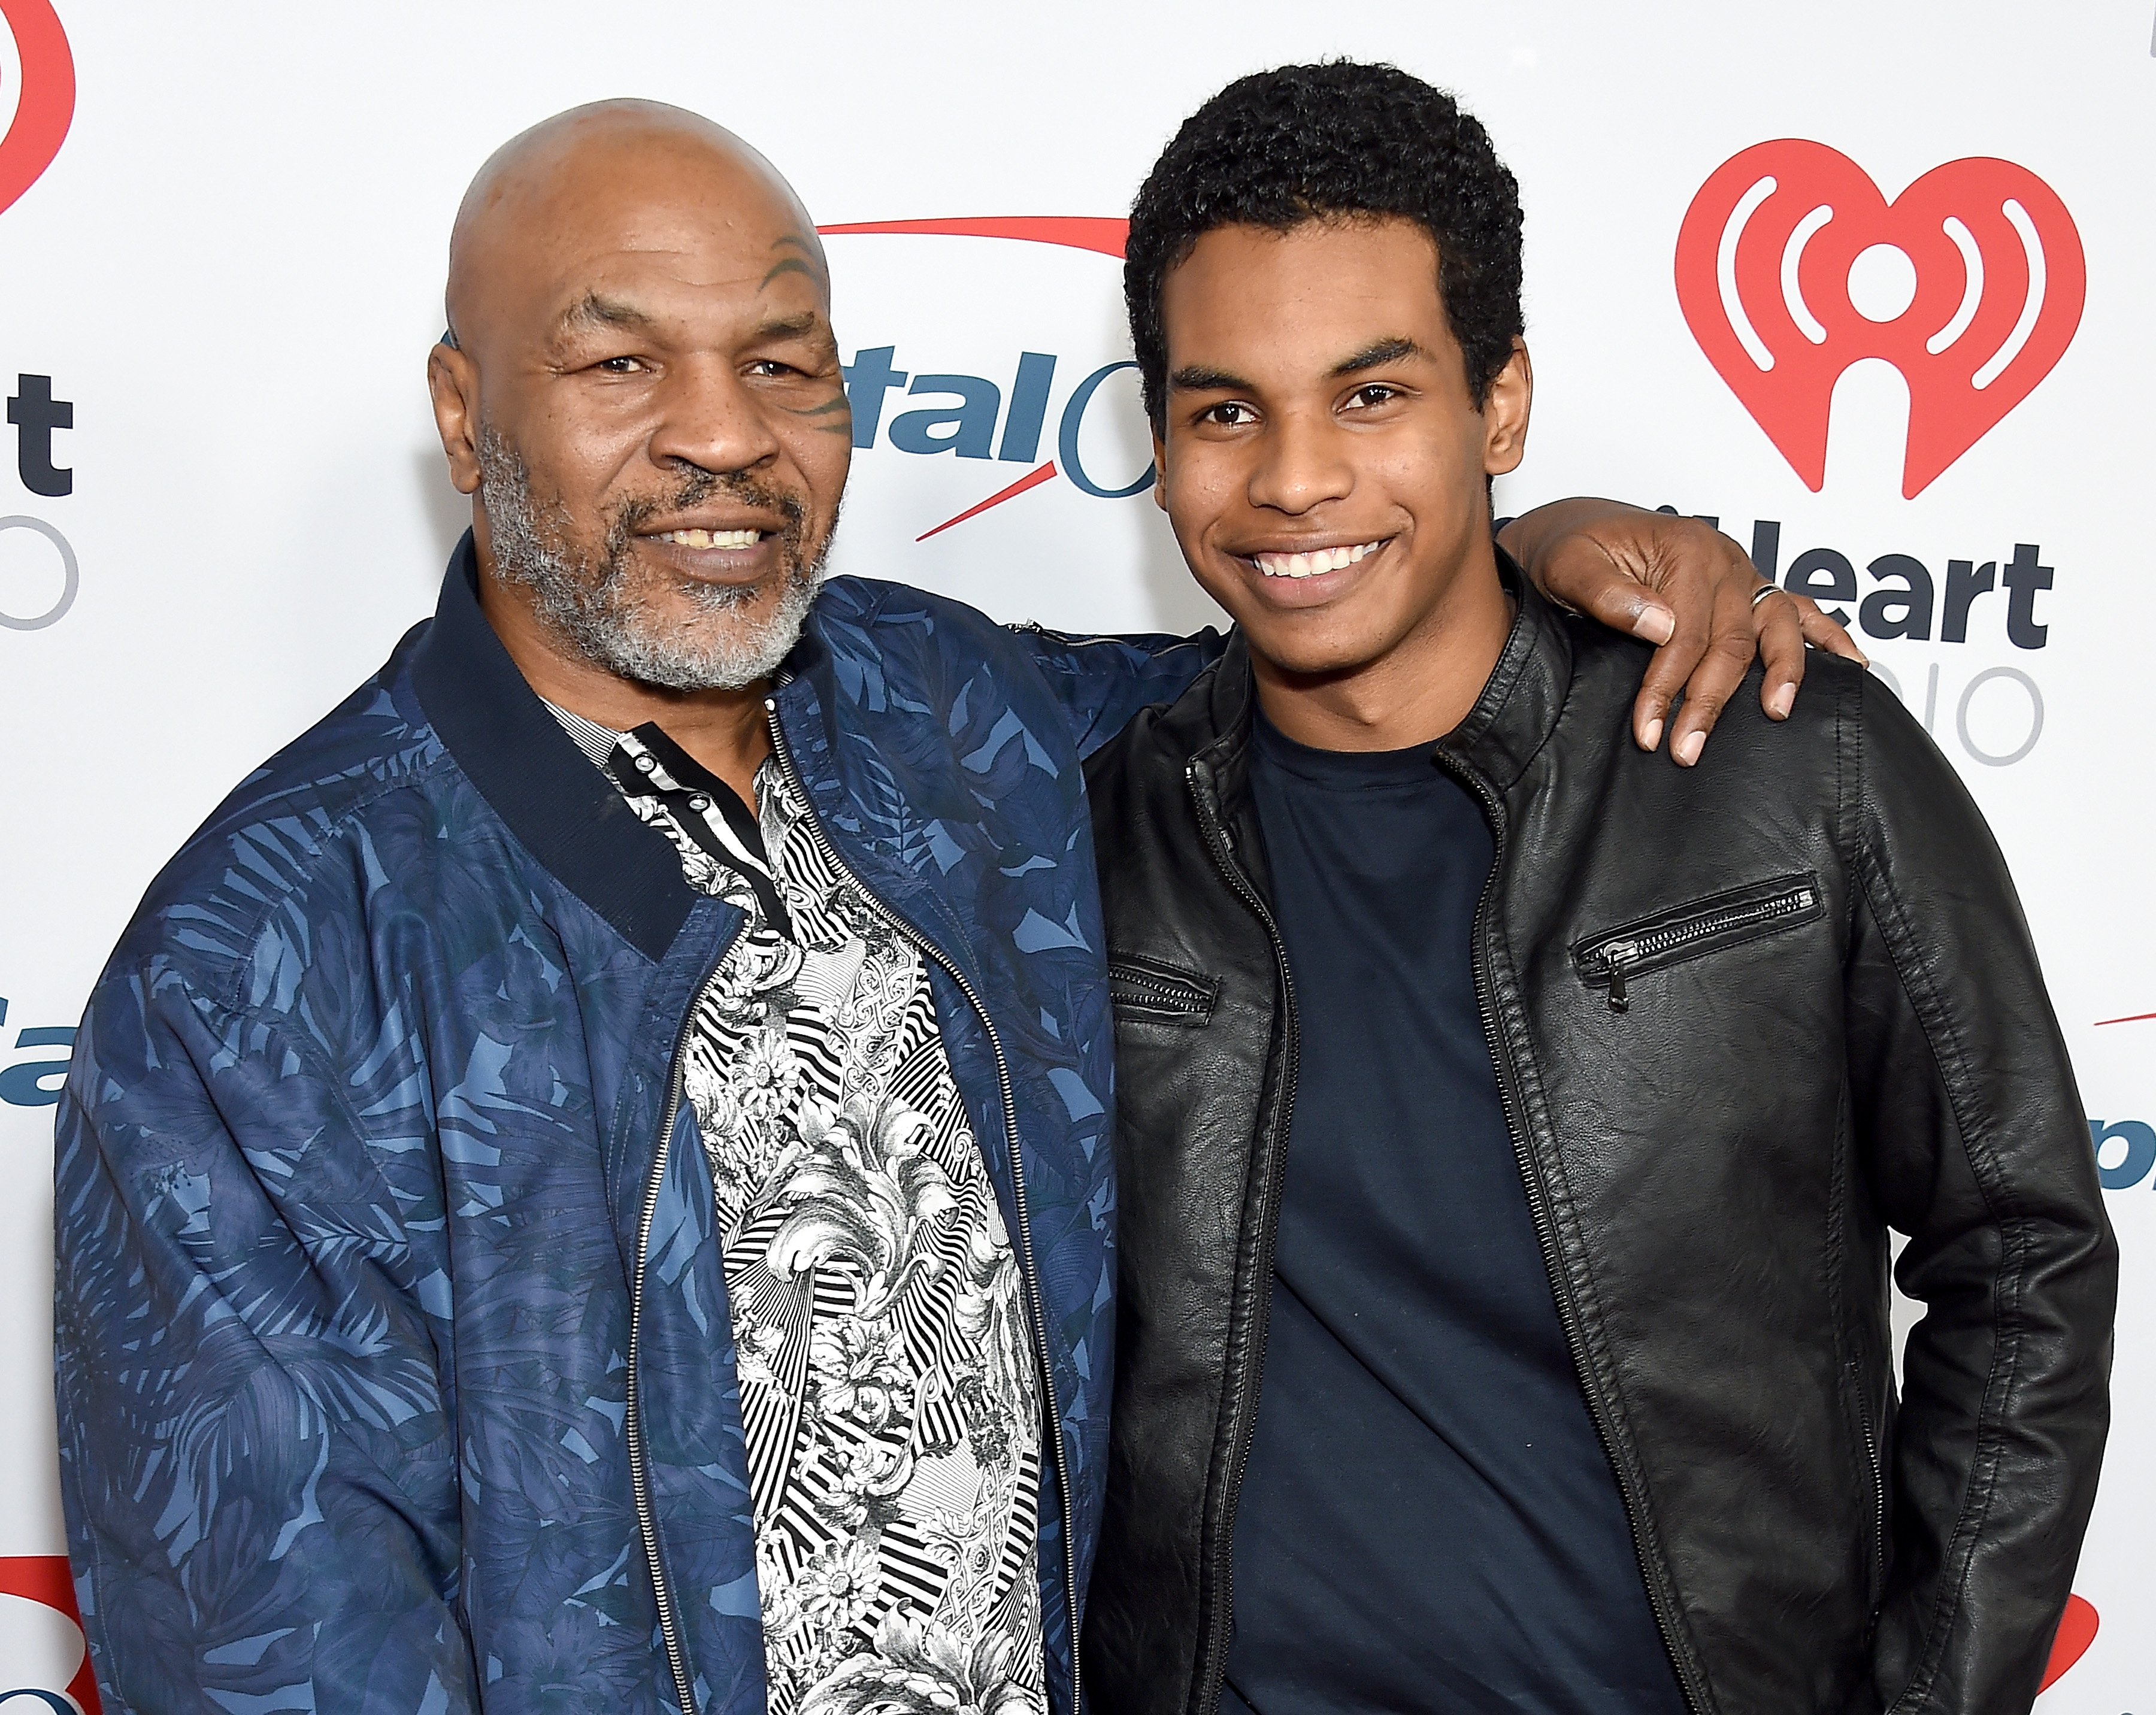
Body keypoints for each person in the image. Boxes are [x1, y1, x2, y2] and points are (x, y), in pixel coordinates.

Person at [54, 99, 1850, 1715]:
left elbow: (1318, 663)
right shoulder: (261, 961)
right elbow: (279, 1656)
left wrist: (1530, 535)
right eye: (619, 370)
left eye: (783, 363)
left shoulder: (949, 717)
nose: (720, 442)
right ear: (466, 414)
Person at [1081, 61, 2115, 1715]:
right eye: (1226, 411)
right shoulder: (1078, 817)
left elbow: (2027, 1251)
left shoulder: (1790, 760)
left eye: (1370, 395)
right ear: (1163, 441)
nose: (1291, 480)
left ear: (1500, 407)